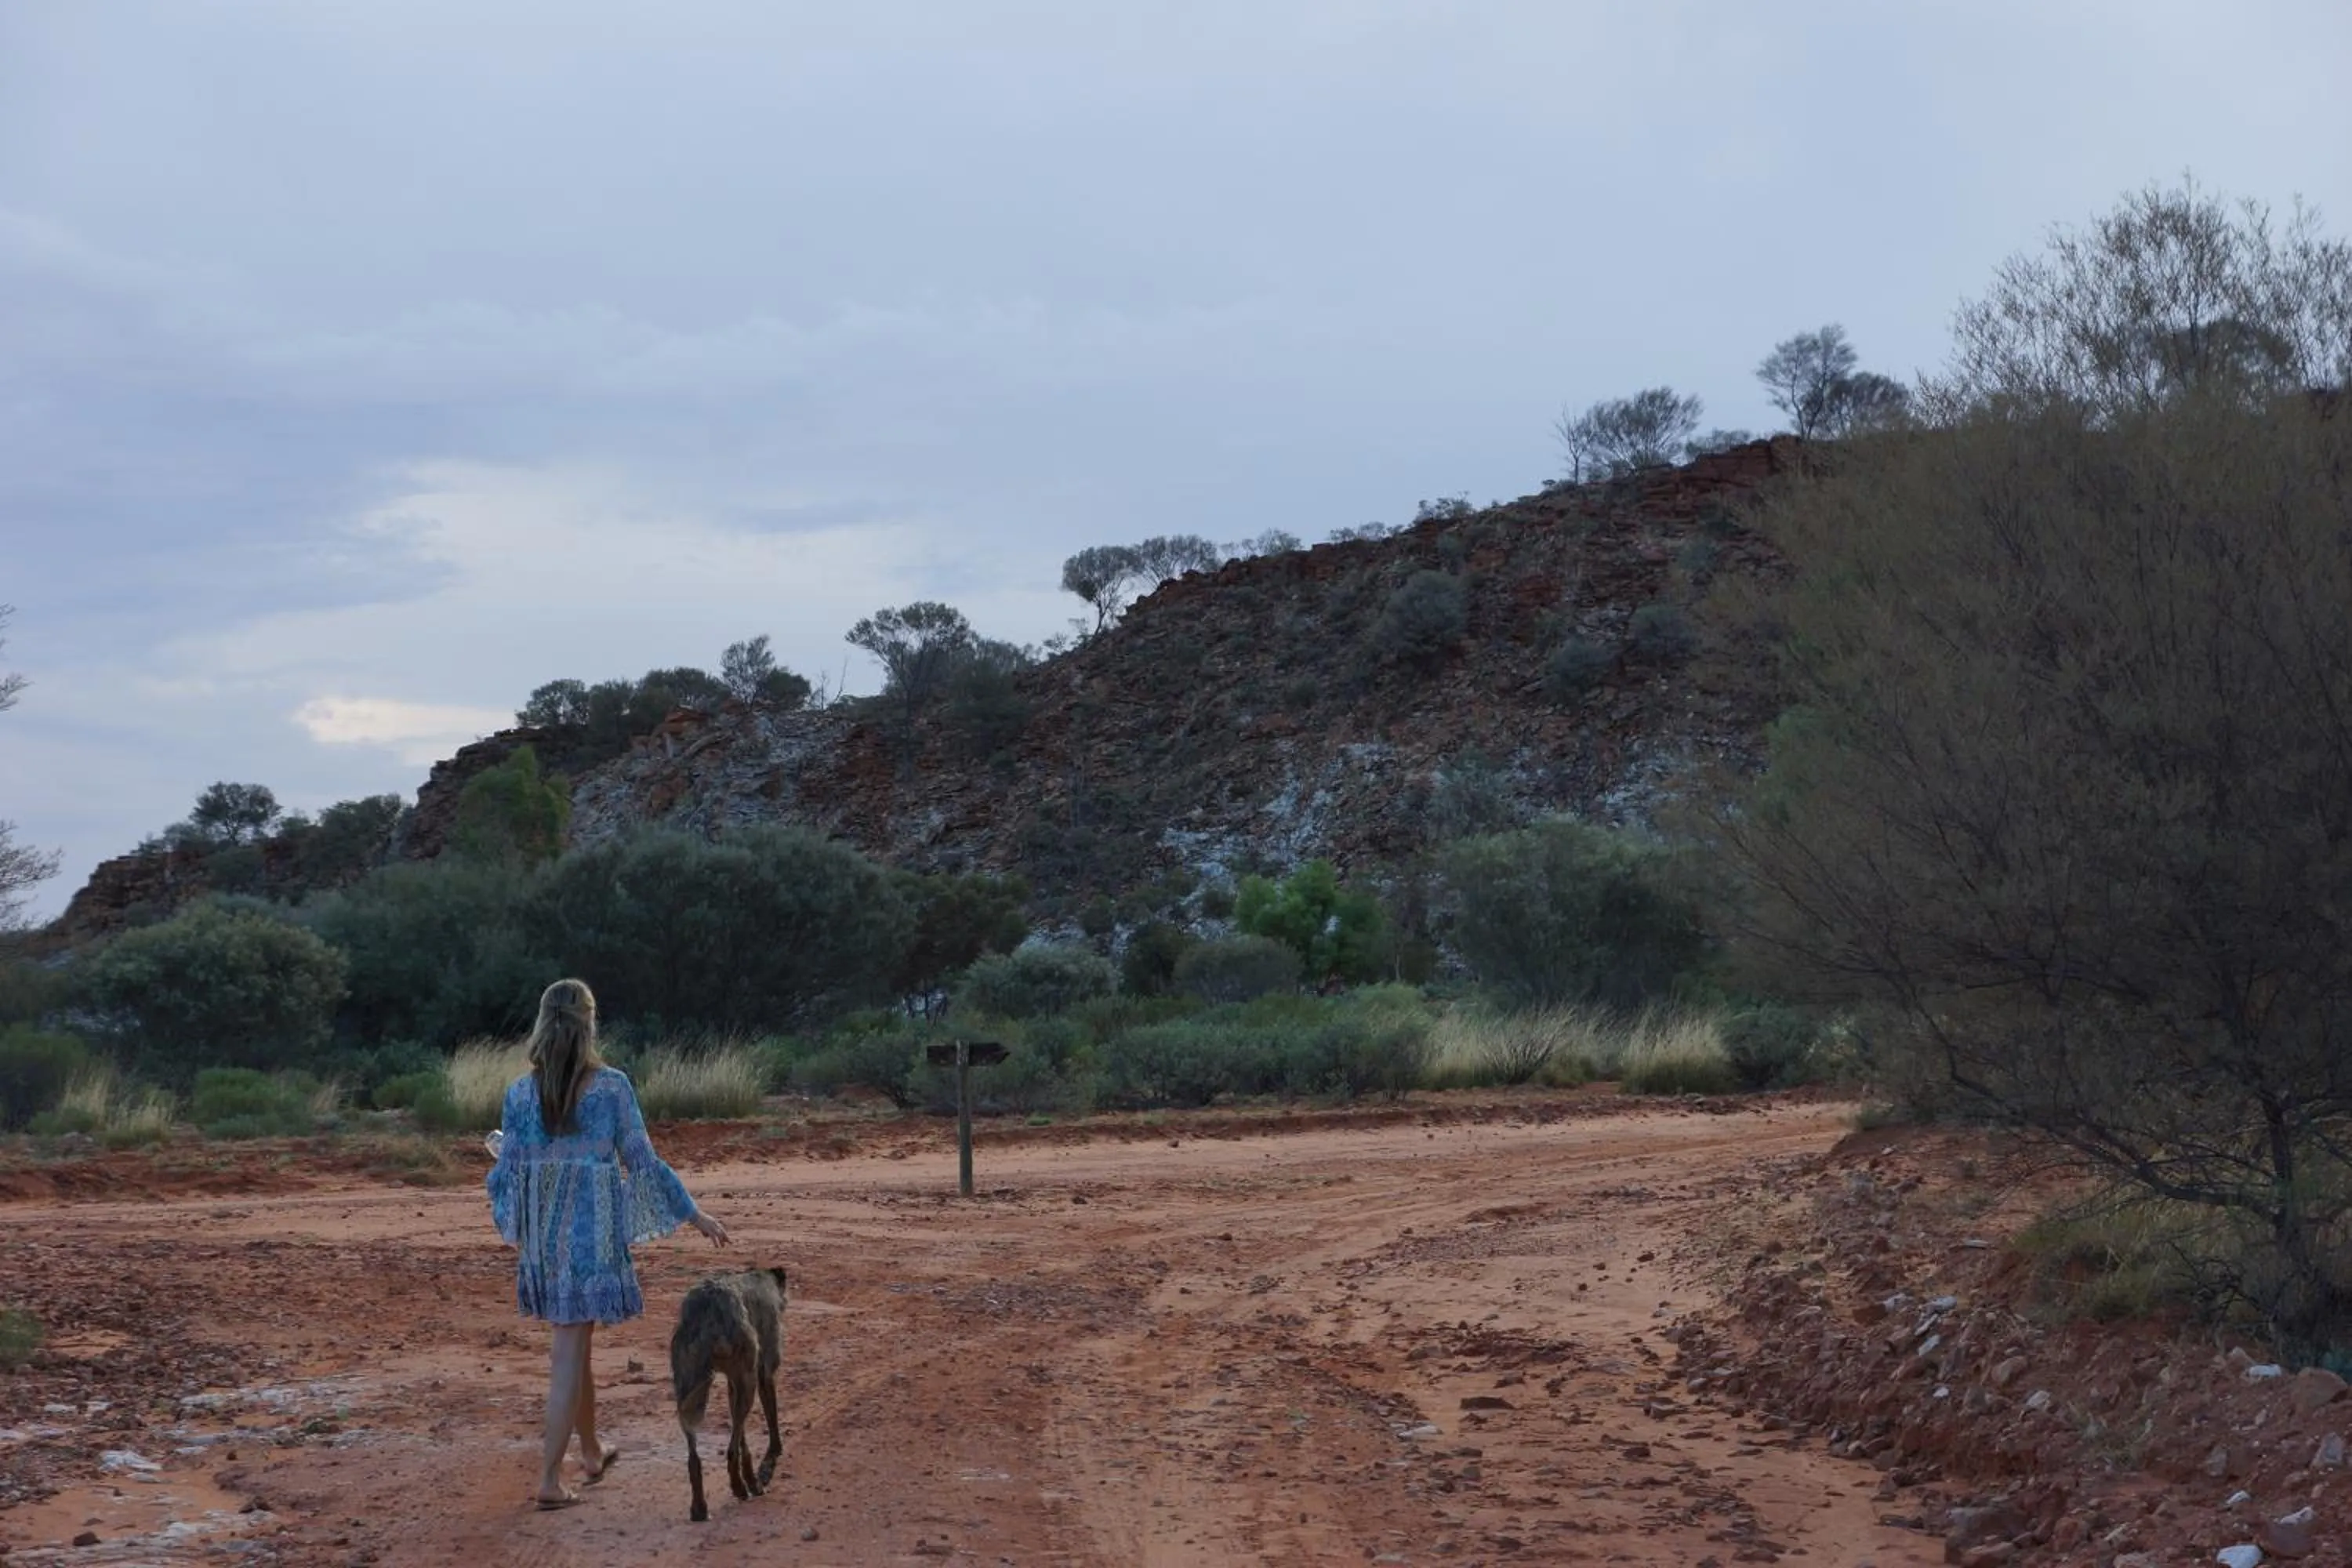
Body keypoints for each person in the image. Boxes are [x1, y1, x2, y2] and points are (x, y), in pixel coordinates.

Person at [486, 978, 729, 1509]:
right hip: (590, 1240)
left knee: (578, 1344)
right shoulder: (612, 1087)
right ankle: (549, 1481)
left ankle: (592, 1452)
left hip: (545, 1243)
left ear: (543, 1022)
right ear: (590, 1023)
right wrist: (694, 1215)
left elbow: (507, 1175)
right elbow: (643, 1163)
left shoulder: (520, 1093)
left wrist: (519, 1218)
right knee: (567, 1352)